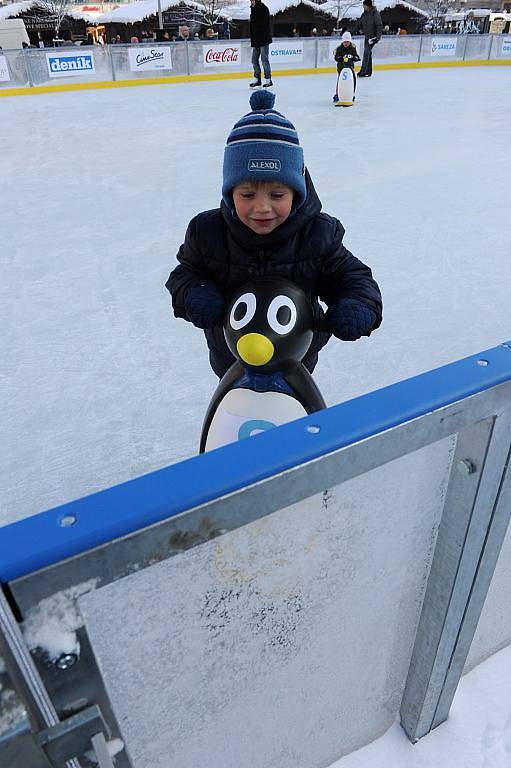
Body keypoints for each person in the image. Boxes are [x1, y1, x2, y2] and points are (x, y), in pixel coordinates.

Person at [165, 90, 382, 382]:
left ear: (297, 191)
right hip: (231, 358)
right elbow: (185, 273)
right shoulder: (207, 233)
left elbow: (352, 277)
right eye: (247, 194)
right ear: (230, 192)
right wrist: (194, 292)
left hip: (296, 359)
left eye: (277, 194)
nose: (262, 207)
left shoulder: (318, 234)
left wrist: (358, 305)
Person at [249, 0, 272, 88]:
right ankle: (257, 79)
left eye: (252, 0)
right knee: (254, 60)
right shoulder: (253, 9)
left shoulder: (263, 8)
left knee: (264, 60)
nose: (251, 2)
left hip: (264, 39)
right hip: (256, 40)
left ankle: (268, 80)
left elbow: (264, 25)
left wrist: (260, 36)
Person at [333, 31, 360, 102]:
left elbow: (357, 57)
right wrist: (341, 59)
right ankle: (337, 94)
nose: (346, 43)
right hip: (341, 68)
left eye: (347, 42)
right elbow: (336, 57)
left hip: (350, 68)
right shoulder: (339, 48)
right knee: (340, 81)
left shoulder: (352, 48)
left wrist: (354, 58)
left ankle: (352, 94)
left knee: (352, 80)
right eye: (344, 42)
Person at [358, 0, 382, 77]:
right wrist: (350, 31)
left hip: (373, 37)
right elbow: (359, 23)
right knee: (368, 54)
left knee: (366, 53)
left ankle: (363, 71)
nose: (363, 7)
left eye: (364, 5)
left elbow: (379, 25)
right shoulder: (364, 14)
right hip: (367, 37)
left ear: (368, 6)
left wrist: (377, 38)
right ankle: (368, 71)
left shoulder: (375, 13)